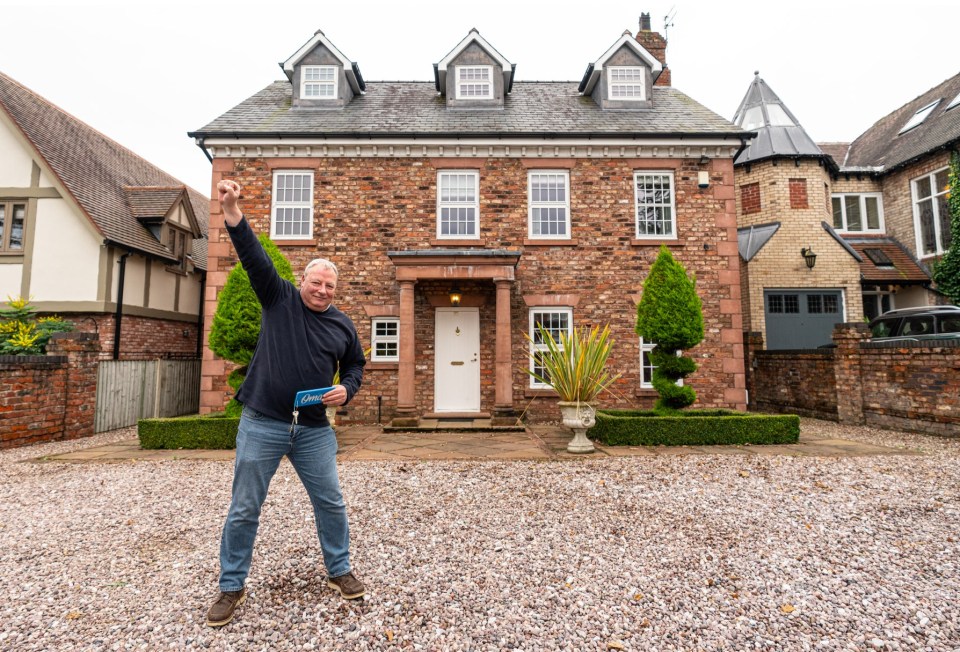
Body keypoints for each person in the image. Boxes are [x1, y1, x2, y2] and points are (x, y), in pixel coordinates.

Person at [206, 179, 367, 628]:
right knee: (244, 507)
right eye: (317, 282)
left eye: (330, 286)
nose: (322, 290)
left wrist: (347, 390)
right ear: (303, 281)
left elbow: (355, 365)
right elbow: (253, 254)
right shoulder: (278, 300)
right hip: (263, 422)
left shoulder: (343, 325)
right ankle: (230, 586)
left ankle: (340, 570)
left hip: (314, 429)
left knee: (331, 502)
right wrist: (233, 210)